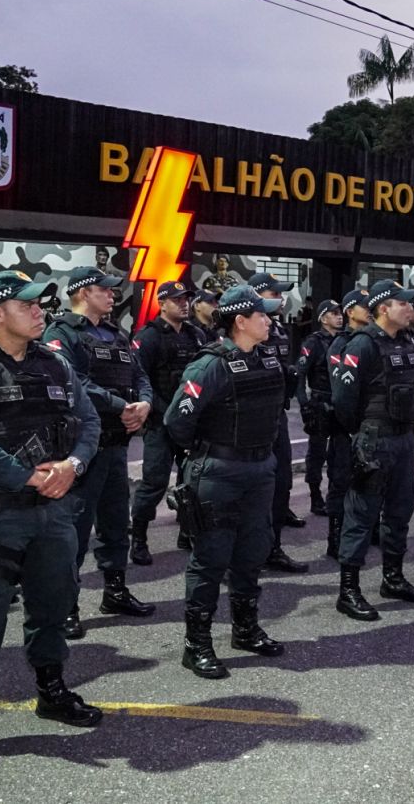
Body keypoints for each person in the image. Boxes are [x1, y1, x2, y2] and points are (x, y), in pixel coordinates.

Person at [0, 269, 103, 771]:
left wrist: (72, 466)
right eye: (28, 304)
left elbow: (90, 421)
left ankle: (52, 690)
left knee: (53, 605)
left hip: (54, 513)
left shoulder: (54, 364)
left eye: (41, 305)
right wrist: (31, 477)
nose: (39, 312)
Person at [164, 285, 288, 680]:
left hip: (259, 469)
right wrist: (204, 454)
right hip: (218, 471)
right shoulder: (210, 365)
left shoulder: (266, 358)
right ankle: (197, 644)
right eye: (262, 315)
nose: (269, 321)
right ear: (240, 321)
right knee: (211, 559)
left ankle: (245, 630)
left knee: (252, 551)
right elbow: (176, 421)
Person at [42, 267, 155, 640]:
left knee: (113, 523)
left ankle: (115, 591)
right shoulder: (61, 333)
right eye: (105, 291)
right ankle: (66, 605)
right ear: (83, 293)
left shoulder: (115, 333)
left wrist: (144, 404)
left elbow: (140, 376)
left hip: (115, 446)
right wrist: (121, 405)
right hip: (81, 447)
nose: (112, 295)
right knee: (74, 529)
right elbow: (70, 381)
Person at [330, 280, 414, 620]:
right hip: (374, 438)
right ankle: (349, 590)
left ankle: (393, 577)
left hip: (403, 440)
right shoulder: (363, 344)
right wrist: (360, 433)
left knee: (401, 510)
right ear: (384, 308)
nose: (410, 309)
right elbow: (344, 400)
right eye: (403, 303)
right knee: (361, 515)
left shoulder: (408, 340)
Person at [129, 279, 208, 564]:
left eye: (186, 298)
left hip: (189, 422)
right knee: (154, 482)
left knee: (191, 480)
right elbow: (139, 380)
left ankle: (186, 531)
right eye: (177, 299)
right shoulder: (148, 337)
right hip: (160, 423)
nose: (184, 303)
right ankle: (138, 537)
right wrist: (165, 412)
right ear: (162, 304)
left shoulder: (197, 335)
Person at [248, 272, 308, 573]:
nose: (280, 299)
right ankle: (244, 554)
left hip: (277, 416)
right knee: (250, 488)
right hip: (250, 421)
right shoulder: (243, 331)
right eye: (274, 294)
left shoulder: (281, 329)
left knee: (281, 481)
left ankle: (272, 547)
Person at [325, 289, 369, 556]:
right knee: (340, 481)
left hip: (368, 424)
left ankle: (363, 531)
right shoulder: (340, 345)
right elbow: (340, 389)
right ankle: (335, 535)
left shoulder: (373, 340)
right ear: (350, 311)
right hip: (345, 426)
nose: (370, 309)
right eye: (364, 306)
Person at [296, 298, 343, 518]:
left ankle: (335, 492)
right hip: (319, 402)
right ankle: (315, 496)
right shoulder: (313, 342)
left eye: (340, 312)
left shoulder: (345, 340)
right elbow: (300, 373)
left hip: (340, 403)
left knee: (339, 452)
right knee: (317, 454)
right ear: (323, 318)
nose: (339, 316)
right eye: (334, 313)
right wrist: (304, 404)